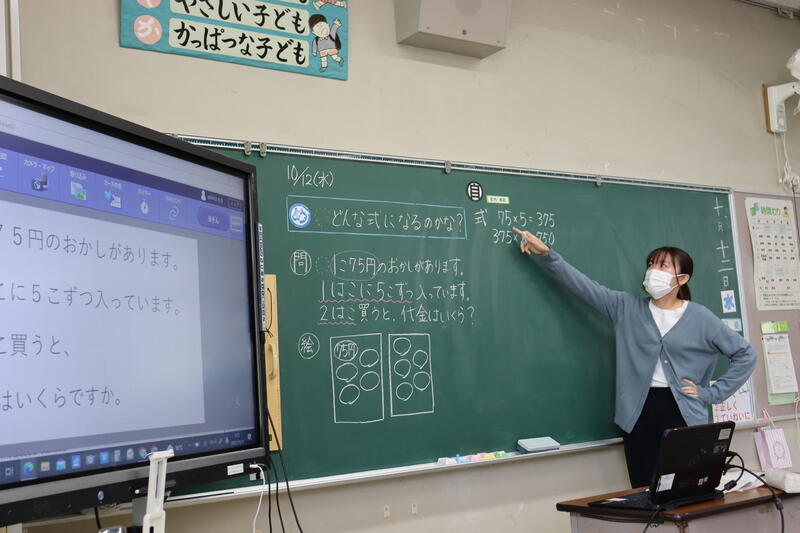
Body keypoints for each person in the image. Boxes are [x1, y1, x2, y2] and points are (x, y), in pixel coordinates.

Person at [511, 227, 756, 488]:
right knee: (644, 490)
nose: (653, 270)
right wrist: (547, 254)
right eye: (651, 264)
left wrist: (711, 393)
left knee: (686, 490)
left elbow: (746, 355)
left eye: (662, 265)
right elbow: (583, 286)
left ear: (683, 278)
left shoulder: (701, 318)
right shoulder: (625, 307)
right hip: (638, 415)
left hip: (684, 413)